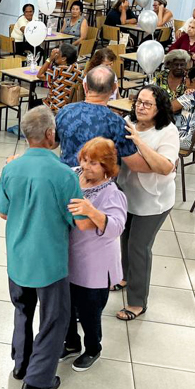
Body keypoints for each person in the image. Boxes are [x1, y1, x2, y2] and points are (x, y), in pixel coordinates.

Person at [0, 106, 96, 389]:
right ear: (51, 134)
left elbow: (3, 212)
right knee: (55, 318)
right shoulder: (64, 175)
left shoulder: (11, 169)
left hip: (18, 257)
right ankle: (38, 379)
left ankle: (21, 364)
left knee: (23, 310)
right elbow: (81, 222)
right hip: (50, 261)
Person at [115, 86, 180, 321]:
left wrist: (139, 142)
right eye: (139, 102)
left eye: (147, 104)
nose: (140, 107)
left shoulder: (168, 131)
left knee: (138, 247)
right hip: (127, 194)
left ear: (158, 108)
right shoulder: (127, 121)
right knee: (124, 238)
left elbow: (165, 167)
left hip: (154, 200)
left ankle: (137, 302)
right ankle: (123, 276)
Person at [63, 137, 127, 372]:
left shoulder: (112, 193)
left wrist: (91, 211)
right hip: (69, 259)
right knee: (66, 308)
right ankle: (70, 344)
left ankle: (93, 348)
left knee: (89, 313)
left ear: (107, 167)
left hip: (94, 267)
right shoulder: (74, 174)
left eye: (94, 163)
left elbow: (116, 227)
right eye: (85, 160)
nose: (86, 166)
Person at [55, 66, 139, 168]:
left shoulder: (65, 111)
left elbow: (53, 144)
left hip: (67, 178)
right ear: (114, 88)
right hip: (98, 181)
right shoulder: (116, 123)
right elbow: (135, 165)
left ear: (85, 86)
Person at [38, 42, 81, 113]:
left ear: (64, 58)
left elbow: (40, 75)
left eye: (58, 53)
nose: (55, 55)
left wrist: (50, 59)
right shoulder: (77, 69)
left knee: (33, 103)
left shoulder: (57, 71)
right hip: (71, 106)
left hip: (55, 106)